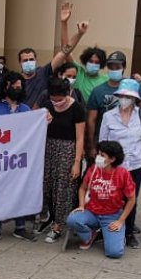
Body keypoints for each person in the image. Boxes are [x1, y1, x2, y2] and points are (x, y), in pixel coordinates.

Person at [97, 78, 141, 249]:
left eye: (128, 96)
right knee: (111, 197)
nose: (124, 99)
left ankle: (129, 231)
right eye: (122, 95)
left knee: (131, 198)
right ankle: (107, 227)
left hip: (135, 165)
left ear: (134, 98)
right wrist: (101, 165)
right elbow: (102, 141)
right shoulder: (108, 116)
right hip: (114, 166)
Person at [0, 72, 36, 243]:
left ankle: (20, 228)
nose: (17, 89)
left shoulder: (26, 110)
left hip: (19, 160)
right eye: (14, 85)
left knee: (20, 191)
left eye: (19, 86)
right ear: (5, 86)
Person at [66, 140, 136, 259]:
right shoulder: (93, 169)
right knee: (72, 219)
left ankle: (115, 236)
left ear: (112, 159)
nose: (98, 157)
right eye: (98, 154)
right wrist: (82, 206)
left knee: (114, 253)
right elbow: (82, 189)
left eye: (102, 155)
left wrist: (120, 221)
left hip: (112, 216)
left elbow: (131, 199)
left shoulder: (123, 174)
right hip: (92, 212)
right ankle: (89, 235)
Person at [40, 77, 86, 244]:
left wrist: (77, 162)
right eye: (53, 99)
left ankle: (59, 225)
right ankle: (46, 217)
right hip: (48, 148)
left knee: (63, 188)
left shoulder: (77, 109)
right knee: (47, 185)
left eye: (59, 100)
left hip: (68, 150)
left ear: (67, 94)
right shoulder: (47, 105)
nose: (56, 103)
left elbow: (80, 137)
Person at [20, 2, 91, 109]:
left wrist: (77, 32)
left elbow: (65, 51)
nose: (28, 62)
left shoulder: (43, 73)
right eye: (25, 60)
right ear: (20, 63)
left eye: (31, 59)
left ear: (36, 60)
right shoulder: (16, 81)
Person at [86, 51, 141, 161]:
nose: (114, 70)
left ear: (124, 67)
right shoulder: (98, 91)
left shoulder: (136, 87)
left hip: (130, 146)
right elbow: (91, 120)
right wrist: (92, 146)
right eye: (111, 67)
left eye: (117, 67)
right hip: (105, 145)